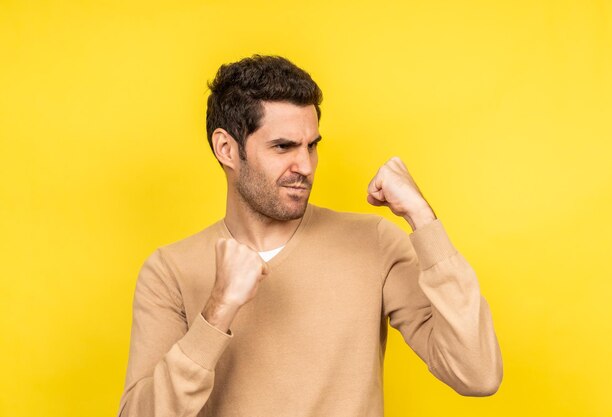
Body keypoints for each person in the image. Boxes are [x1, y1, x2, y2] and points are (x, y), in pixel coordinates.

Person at [117, 54, 503, 417]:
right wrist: (217, 310)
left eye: (312, 146)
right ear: (226, 149)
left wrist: (423, 219)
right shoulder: (170, 270)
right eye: (283, 147)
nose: (304, 166)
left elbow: (478, 373)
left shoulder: (375, 244)